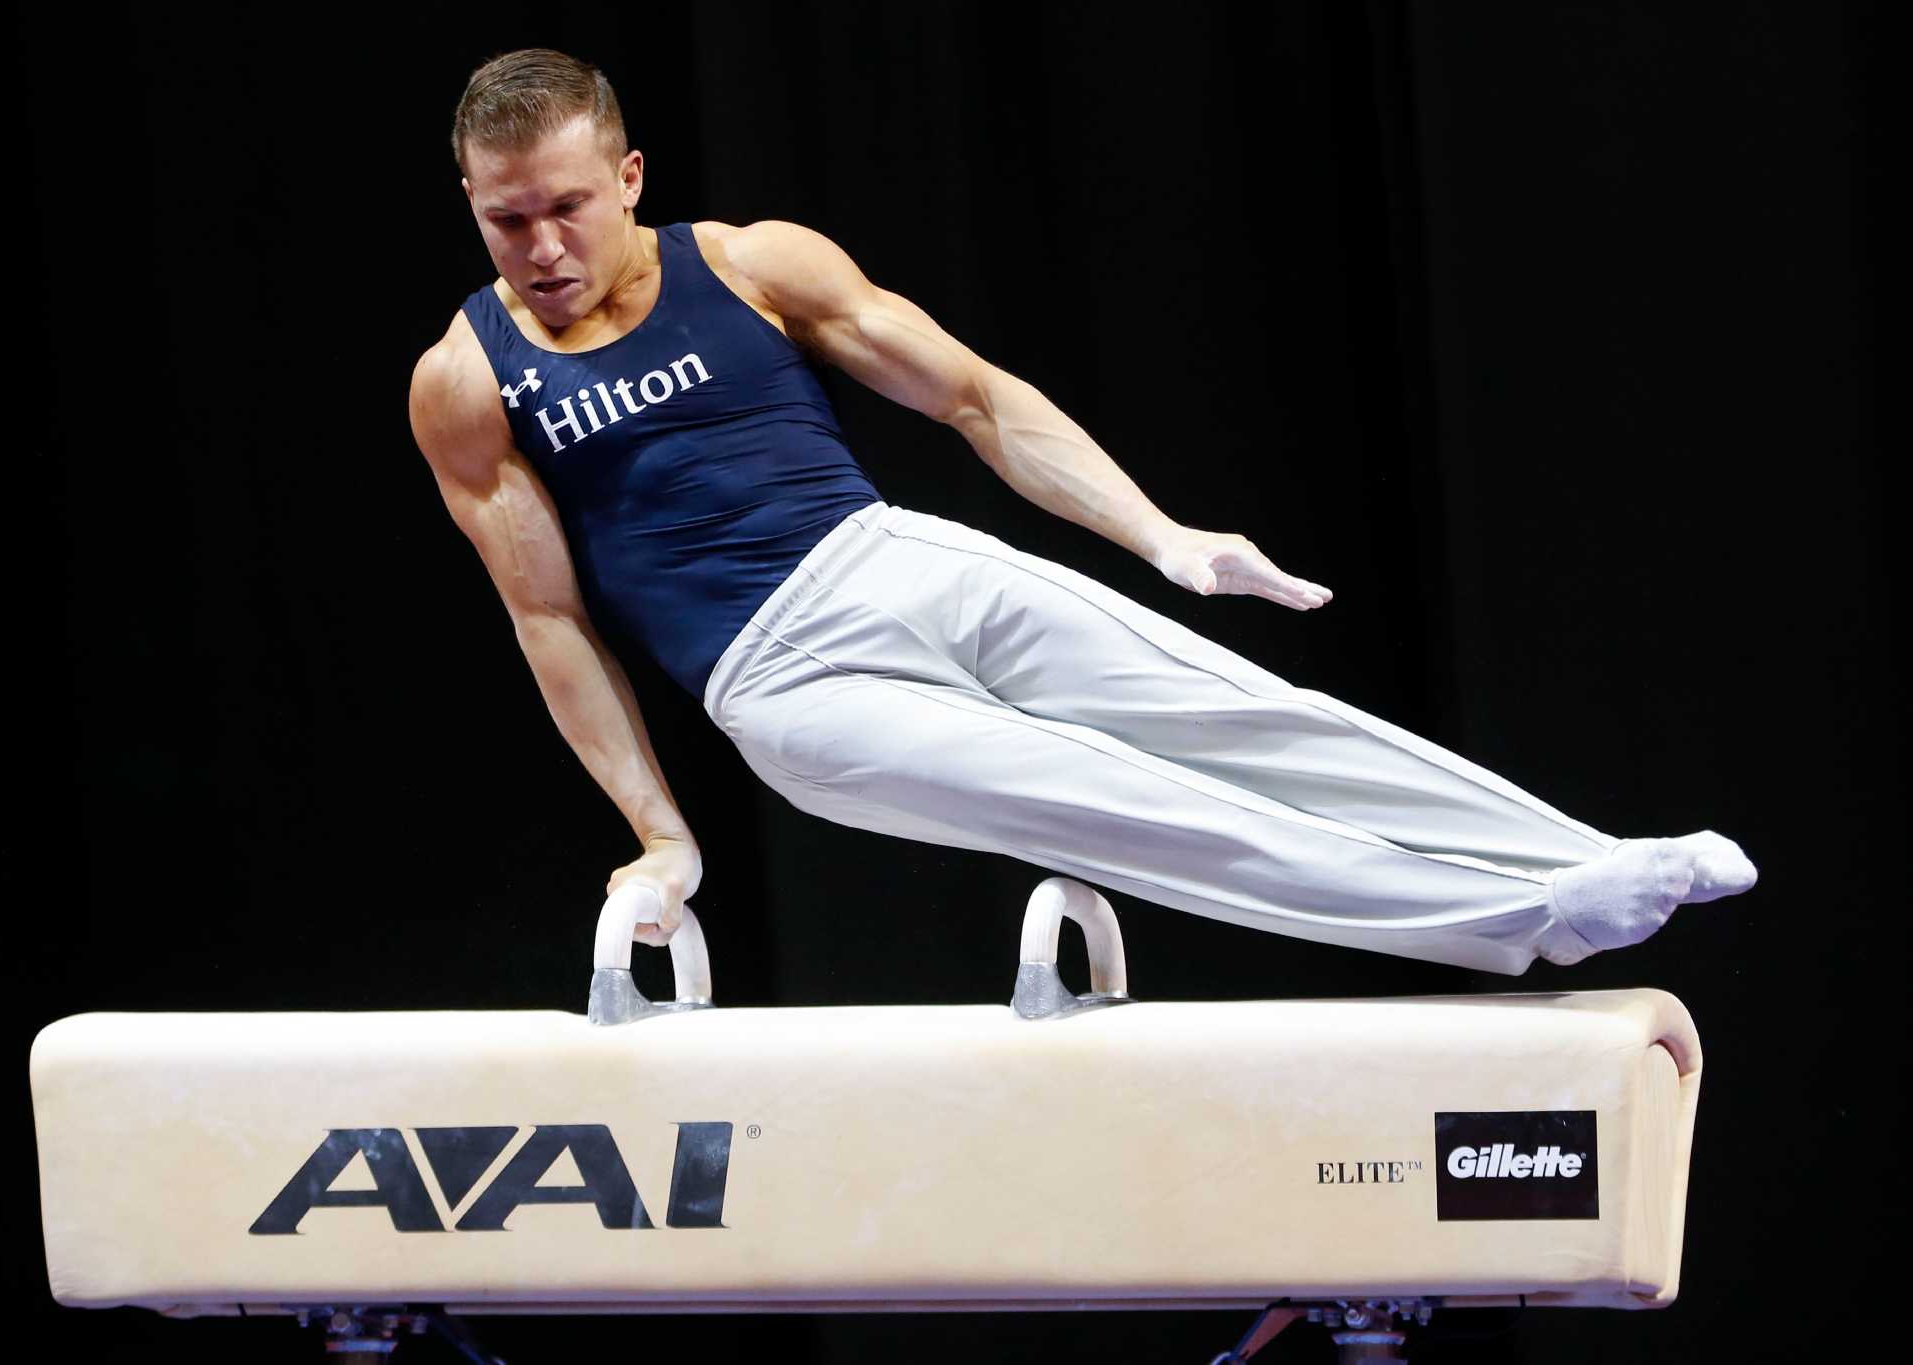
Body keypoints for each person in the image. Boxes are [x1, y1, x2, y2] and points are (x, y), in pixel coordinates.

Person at [406, 49, 1756, 977]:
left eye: (567, 209)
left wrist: (1162, 535)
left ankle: (1588, 857)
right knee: (1119, 801)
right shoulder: (470, 382)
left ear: (630, 177)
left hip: (896, 560)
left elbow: (980, 402)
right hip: (783, 684)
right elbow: (550, 618)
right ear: (472, 205)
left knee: (1239, 711)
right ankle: (1529, 915)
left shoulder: (754, 265)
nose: (543, 251)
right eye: (505, 220)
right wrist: (663, 833)